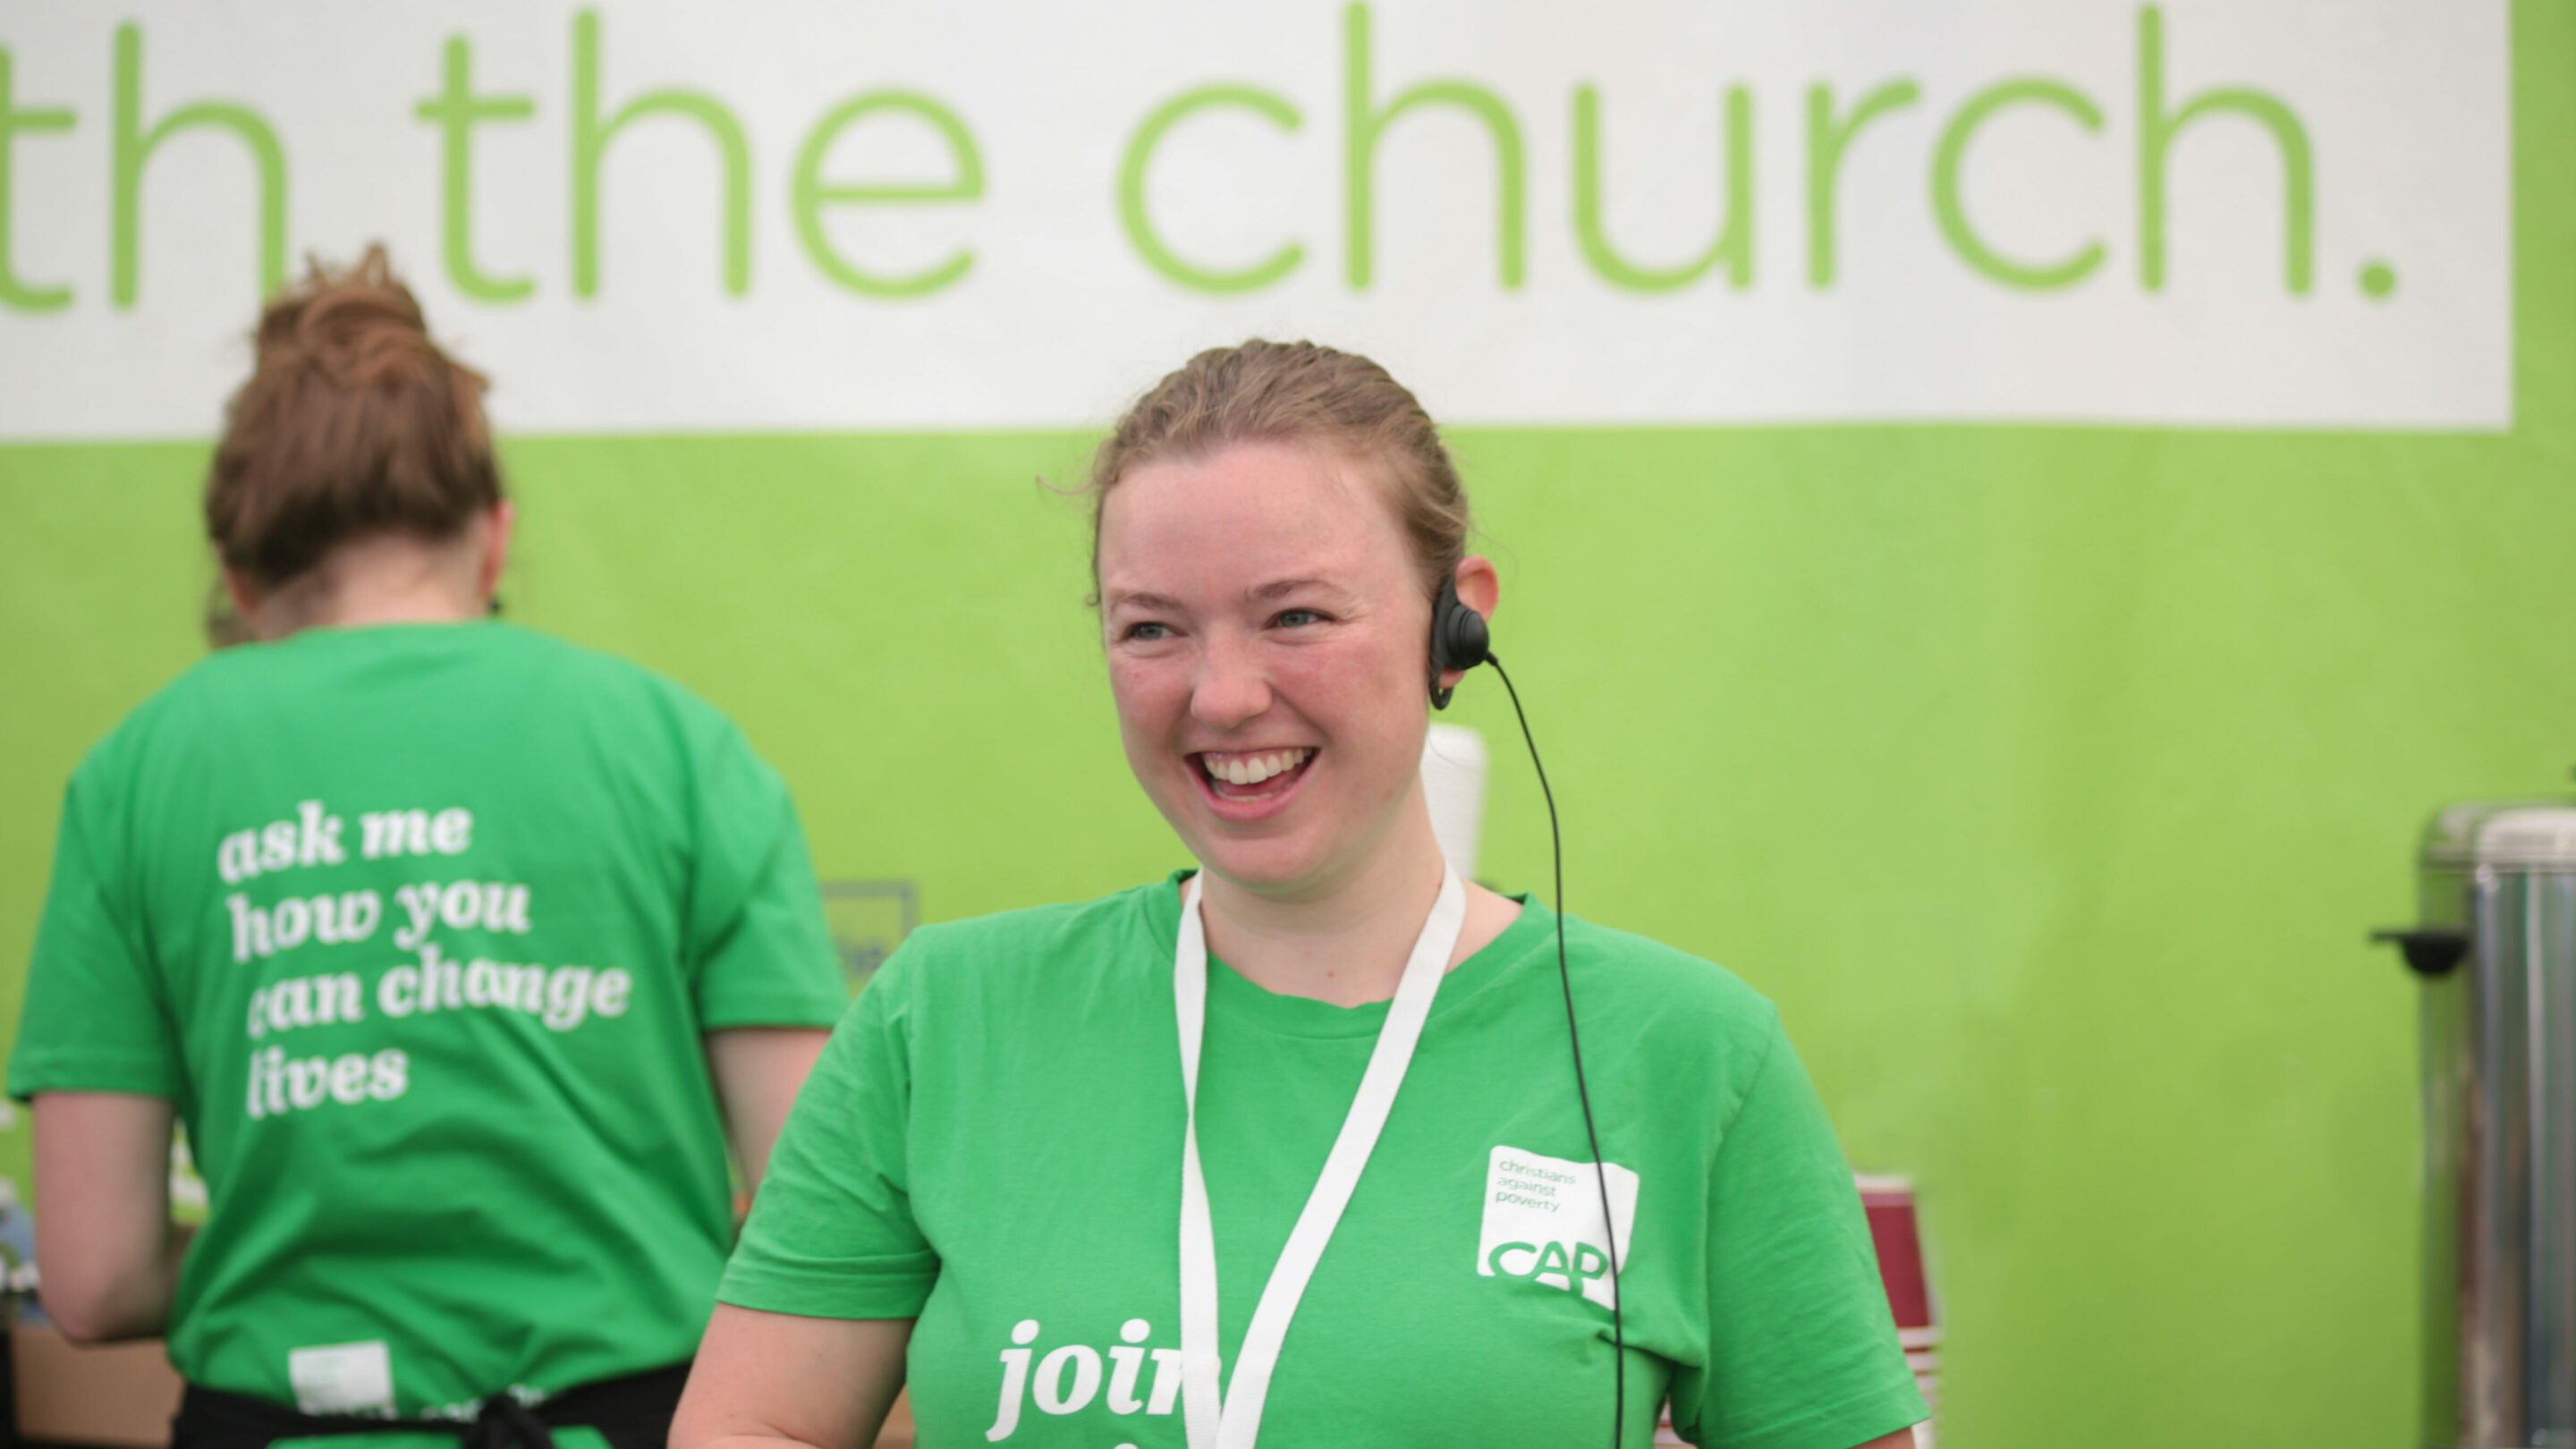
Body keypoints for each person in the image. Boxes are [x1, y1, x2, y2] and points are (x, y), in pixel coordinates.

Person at [673, 341, 1928, 1449]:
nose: (1220, 696)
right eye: (1152, 629)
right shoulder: (940, 1021)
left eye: (1295, 617)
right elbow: (754, 1424)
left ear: (1456, 626)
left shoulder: (1685, 1053)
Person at [10, 249, 848, 1446]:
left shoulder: (136, 772)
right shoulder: (676, 745)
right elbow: (813, 1215)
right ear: (493, 540)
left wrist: (294, 1266)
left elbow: (91, 1281)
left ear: (245, 582)